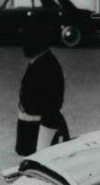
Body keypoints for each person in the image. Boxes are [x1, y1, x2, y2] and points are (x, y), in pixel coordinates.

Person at [15, 22, 68, 156]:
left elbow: (52, 108)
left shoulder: (47, 66)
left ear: (38, 42)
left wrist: (41, 150)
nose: (23, 45)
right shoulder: (38, 62)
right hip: (32, 131)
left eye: (27, 40)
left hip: (43, 132)